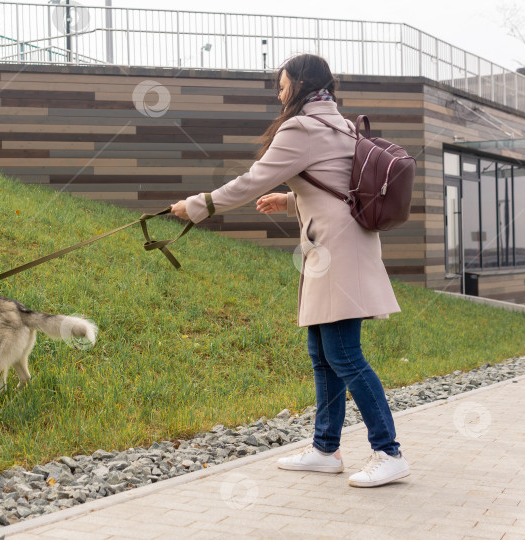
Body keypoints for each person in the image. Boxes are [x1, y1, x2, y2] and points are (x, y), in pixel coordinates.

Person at [170, 53, 409, 488]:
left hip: (336, 252)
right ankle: (325, 448)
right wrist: (290, 200)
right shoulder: (339, 123)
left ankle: (388, 451)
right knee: (324, 355)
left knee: (344, 355)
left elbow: (252, 180)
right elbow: (335, 183)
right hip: (339, 247)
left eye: (281, 85)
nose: (279, 93)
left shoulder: (301, 128)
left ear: (299, 85)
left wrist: (196, 206)